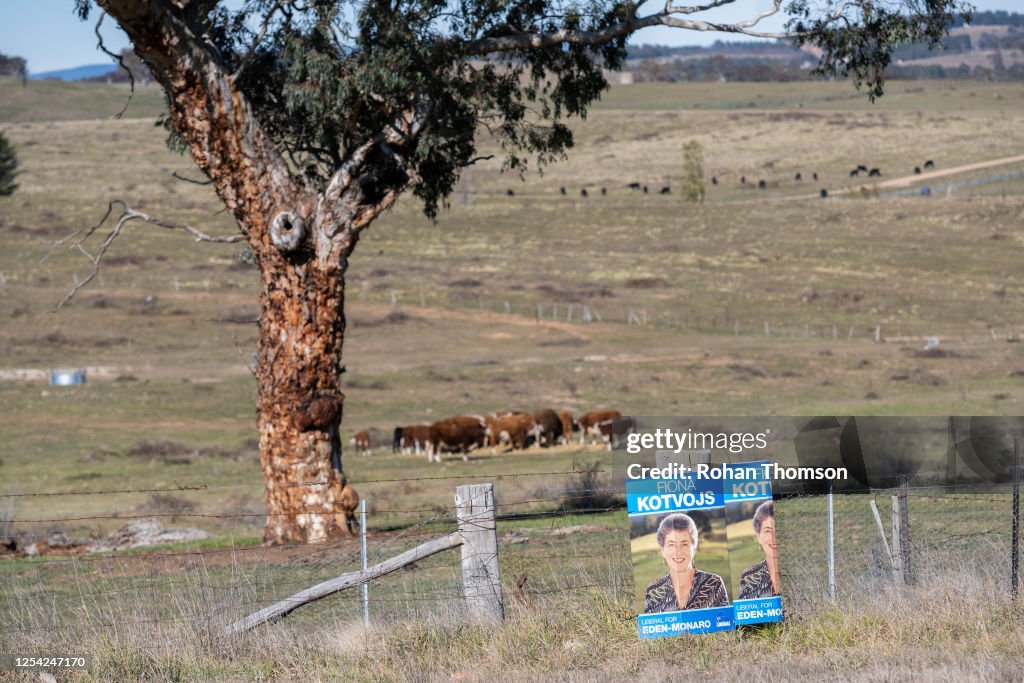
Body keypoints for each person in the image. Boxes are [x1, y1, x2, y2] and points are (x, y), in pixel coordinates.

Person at [643, 512, 729, 614]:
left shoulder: (714, 583)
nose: (678, 552)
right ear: (662, 550)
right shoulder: (653, 591)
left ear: (694, 547)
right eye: (671, 544)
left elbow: (726, 625)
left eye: (684, 544)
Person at [739, 500, 781, 600]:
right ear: (758, 536)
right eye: (768, 531)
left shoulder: (803, 571)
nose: (774, 537)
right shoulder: (748, 577)